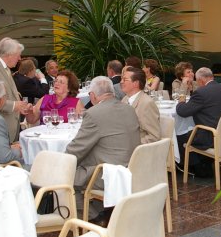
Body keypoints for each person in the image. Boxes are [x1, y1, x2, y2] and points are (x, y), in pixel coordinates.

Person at [65, 76, 140, 219]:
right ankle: (101, 210)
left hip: (111, 173)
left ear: (92, 95)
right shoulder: (129, 109)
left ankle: (92, 216)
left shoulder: (93, 113)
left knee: (65, 176)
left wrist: (60, 164)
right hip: (133, 167)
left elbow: (76, 150)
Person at [175, 67, 221, 177]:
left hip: (209, 137)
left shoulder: (201, 93)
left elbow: (182, 111)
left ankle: (196, 168)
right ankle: (205, 163)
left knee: (179, 134)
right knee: (189, 131)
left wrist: (182, 96)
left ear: (201, 80)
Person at [121, 67, 161, 144]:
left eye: (125, 79)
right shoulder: (125, 99)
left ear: (136, 83)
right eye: (122, 79)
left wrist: (131, 144)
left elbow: (154, 136)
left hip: (136, 147)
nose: (121, 82)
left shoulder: (146, 103)